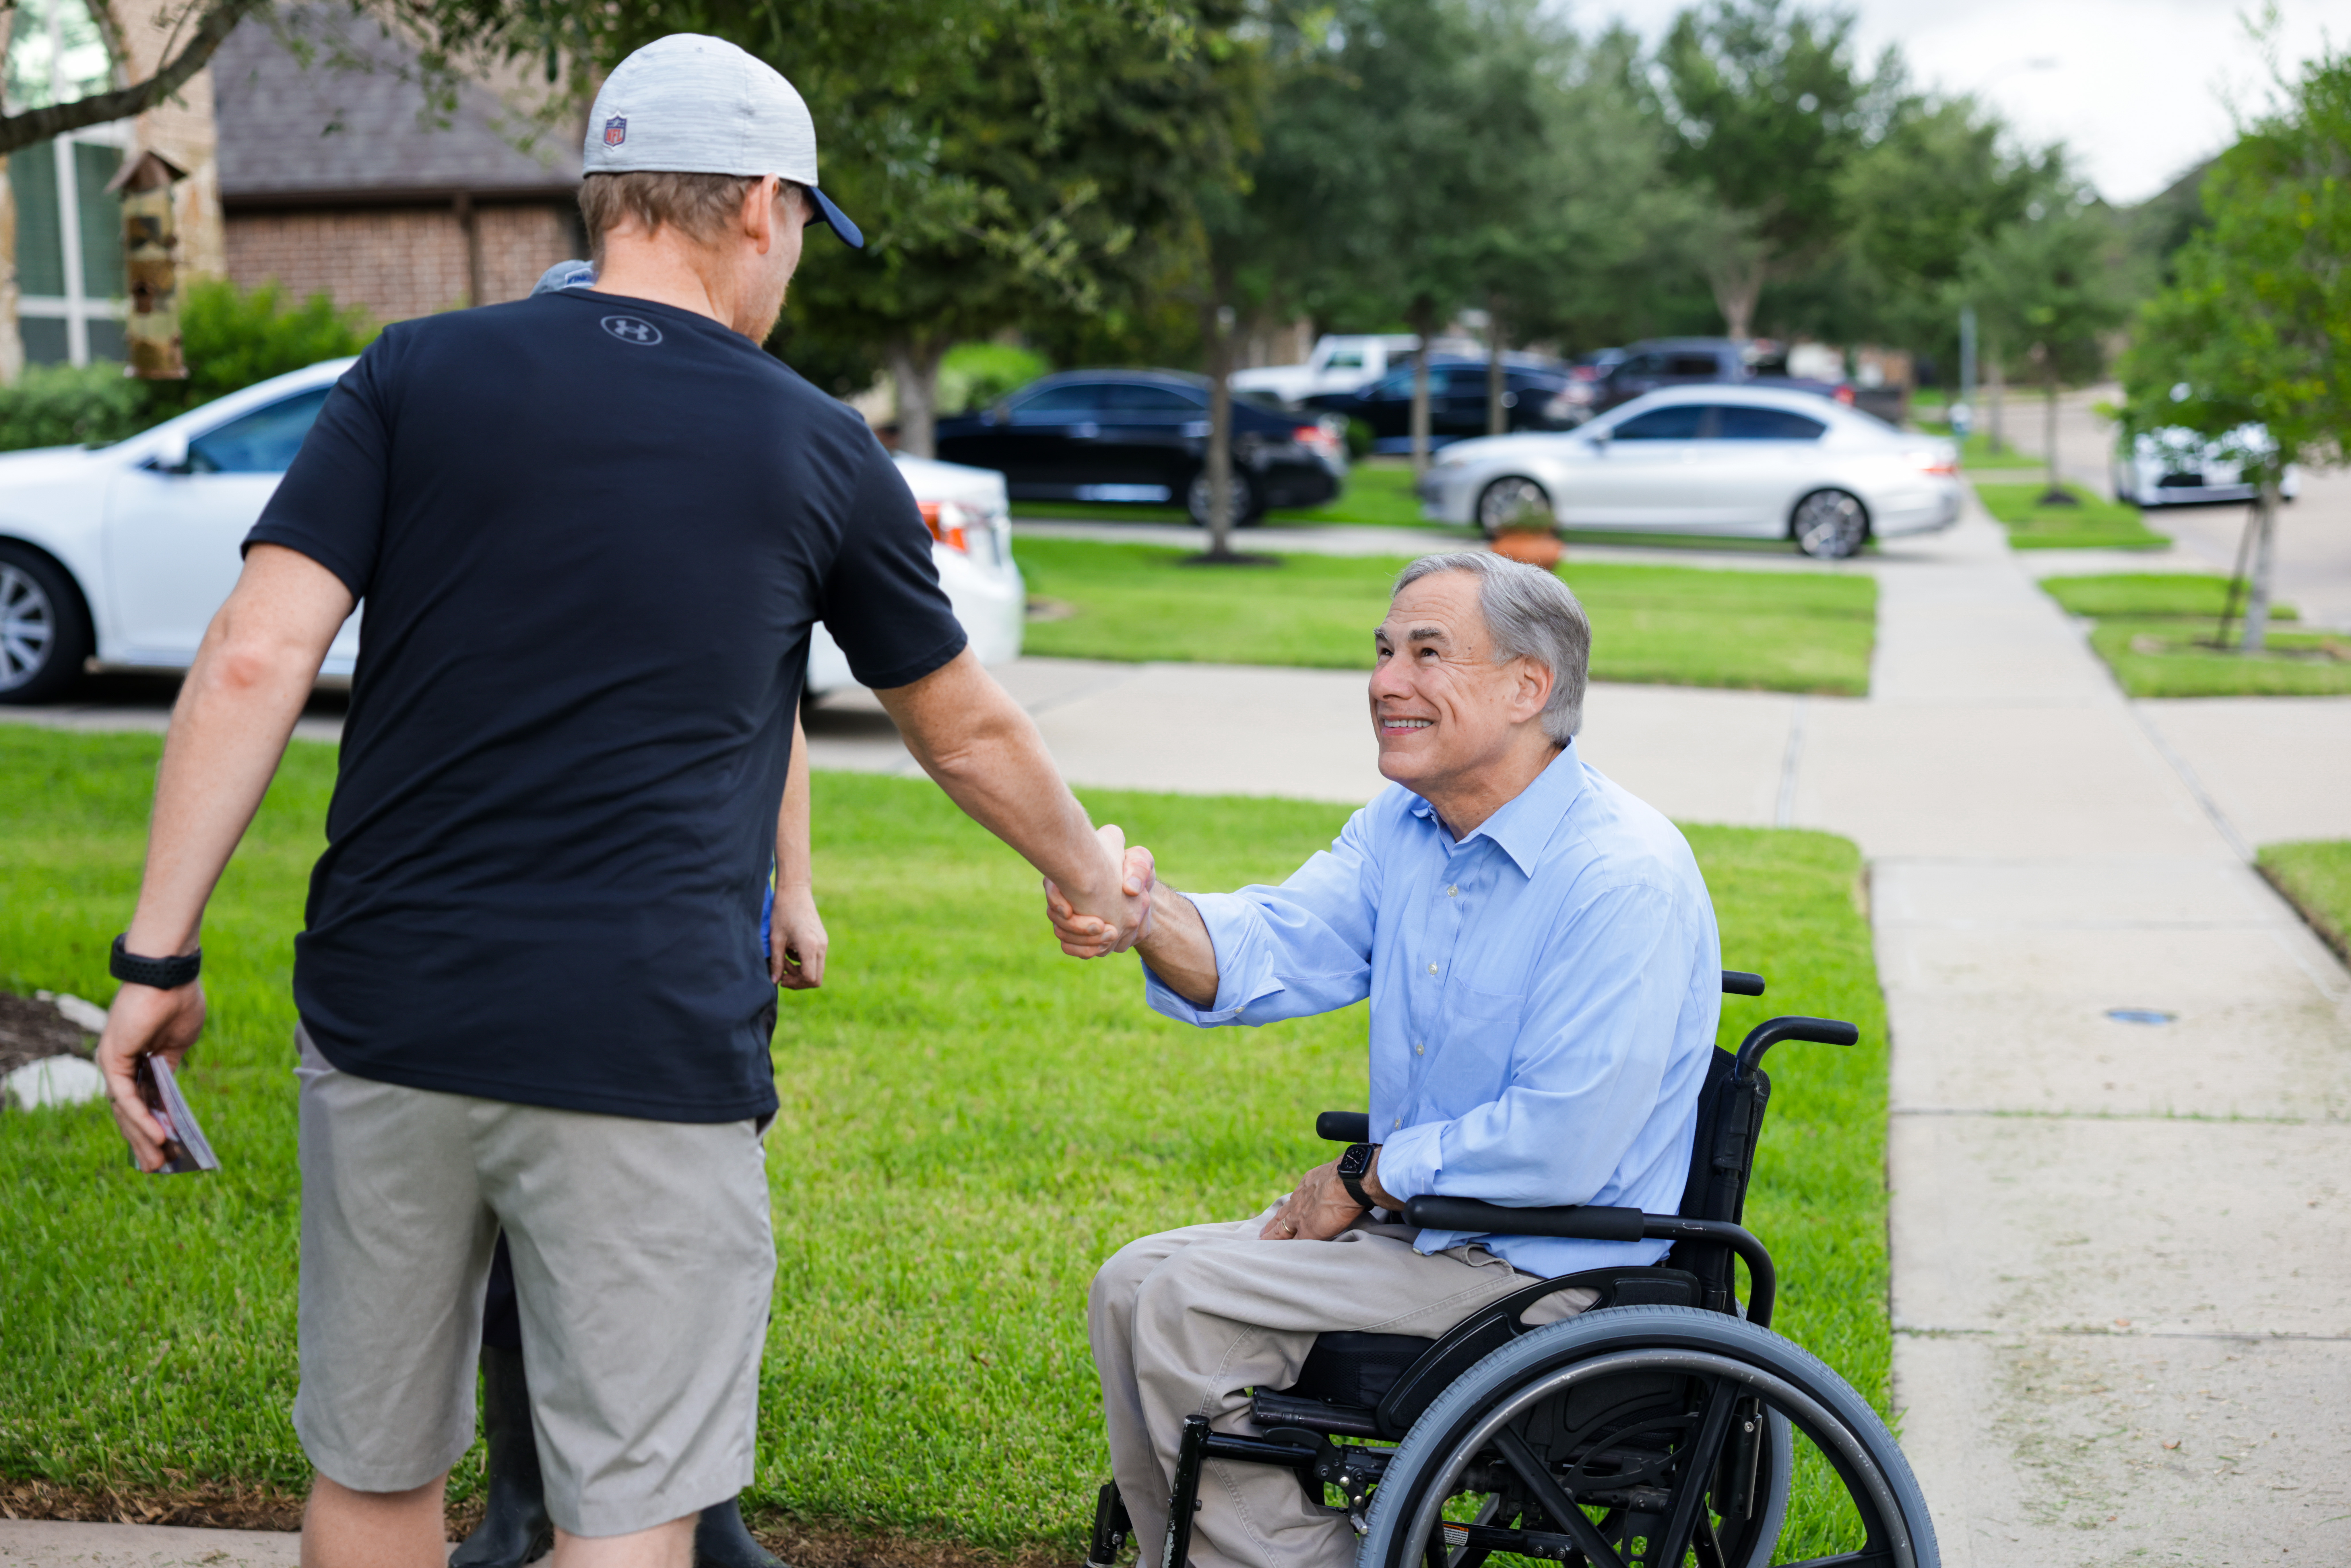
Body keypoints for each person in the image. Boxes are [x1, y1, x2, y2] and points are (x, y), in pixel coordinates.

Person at [94, 32, 1146, 1568]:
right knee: (632, 1503)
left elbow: (254, 656)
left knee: (375, 1477)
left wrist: (156, 960)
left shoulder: (412, 374)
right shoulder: (814, 441)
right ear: (763, 209)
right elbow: (966, 727)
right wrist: (1091, 878)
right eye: (798, 236)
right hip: (641, 1036)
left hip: (390, 1011)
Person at [1047, 552, 1722, 1568]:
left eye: (1426, 653)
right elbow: (1272, 944)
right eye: (1382, 650)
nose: (1385, 682)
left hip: (1546, 1264)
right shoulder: (1408, 830)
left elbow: (1564, 1142)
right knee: (1133, 1281)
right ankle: (1184, 1556)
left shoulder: (1621, 876)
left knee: (1191, 1302)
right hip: (1435, 1235)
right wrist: (1145, 916)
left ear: (1528, 687)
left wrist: (1368, 1178)